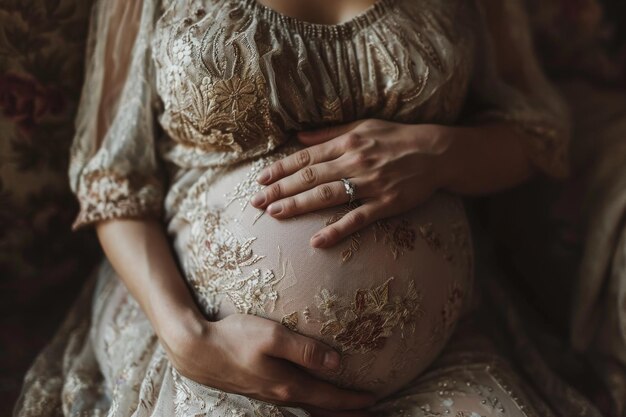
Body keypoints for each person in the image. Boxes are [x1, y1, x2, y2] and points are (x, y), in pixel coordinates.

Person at [14, 0, 574, 415]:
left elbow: (537, 133)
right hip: (209, 340)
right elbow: (113, 179)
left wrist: (442, 154)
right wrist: (187, 338)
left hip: (439, 355)